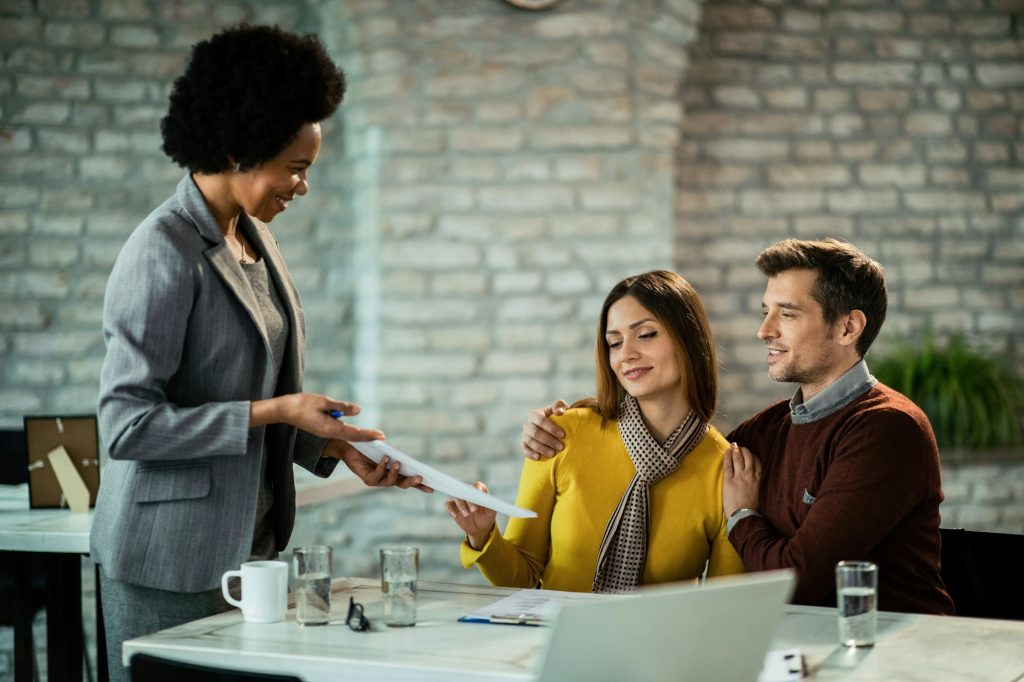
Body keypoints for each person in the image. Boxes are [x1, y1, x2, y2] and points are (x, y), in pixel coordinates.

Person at [91, 25, 428, 681]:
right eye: (295, 169)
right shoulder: (163, 251)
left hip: (249, 553)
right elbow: (127, 426)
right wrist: (278, 411)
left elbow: (252, 386)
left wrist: (332, 445)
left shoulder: (252, 239)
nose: (301, 187)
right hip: (170, 562)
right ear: (241, 148)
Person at [522, 239, 954, 614]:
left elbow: (799, 580)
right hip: (795, 649)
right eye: (766, 312)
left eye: (787, 314)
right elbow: (677, 448)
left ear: (847, 327)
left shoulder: (887, 429)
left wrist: (743, 515)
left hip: (891, 654)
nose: (764, 330)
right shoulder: (763, 433)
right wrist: (574, 419)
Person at [446, 271, 744, 593]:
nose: (626, 354)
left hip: (657, 642)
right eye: (614, 342)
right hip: (557, 635)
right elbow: (522, 576)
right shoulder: (562, 435)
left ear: (687, 336)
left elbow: (721, 606)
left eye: (645, 335)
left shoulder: (725, 470)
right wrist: (482, 534)